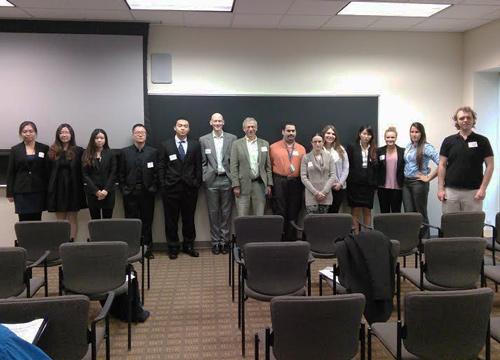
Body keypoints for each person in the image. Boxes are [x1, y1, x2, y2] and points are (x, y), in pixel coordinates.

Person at [158, 118, 202, 260]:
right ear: (174, 128)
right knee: (171, 220)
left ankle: (188, 245)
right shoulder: (166, 145)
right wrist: (163, 185)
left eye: (185, 126)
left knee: (189, 218)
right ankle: (173, 247)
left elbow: (198, 166)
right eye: (180, 125)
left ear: (189, 129)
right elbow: (161, 166)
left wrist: (196, 182)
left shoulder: (195, 145)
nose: (183, 128)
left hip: (190, 188)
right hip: (171, 188)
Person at [437, 106, 494, 213]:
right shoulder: (448, 141)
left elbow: (490, 165)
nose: (465, 120)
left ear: (473, 120)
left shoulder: (483, 141)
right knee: (451, 225)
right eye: (462, 118)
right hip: (451, 192)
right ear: (457, 121)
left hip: (474, 193)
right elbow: (442, 165)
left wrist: (483, 189)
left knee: (472, 226)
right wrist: (440, 189)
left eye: (468, 117)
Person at [199, 113, 237, 255]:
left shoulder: (232, 138)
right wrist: (205, 176)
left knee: (226, 212)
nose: (217, 123)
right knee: (213, 212)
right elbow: (203, 161)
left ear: (223, 122)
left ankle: (225, 241)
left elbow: (234, 161)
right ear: (210, 122)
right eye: (215, 121)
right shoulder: (203, 140)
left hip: (227, 179)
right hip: (211, 180)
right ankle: (215, 242)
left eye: (220, 121)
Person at [119, 124, 158, 258]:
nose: (140, 134)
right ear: (133, 135)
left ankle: (147, 250)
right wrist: (124, 190)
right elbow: (121, 173)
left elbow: (156, 173)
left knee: (147, 222)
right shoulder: (124, 152)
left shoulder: (153, 152)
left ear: (146, 135)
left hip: (147, 193)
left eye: (143, 132)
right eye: (137, 132)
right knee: (132, 223)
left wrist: (153, 188)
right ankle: (133, 250)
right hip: (130, 193)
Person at [47, 124, 86, 240]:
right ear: (58, 135)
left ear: (71, 135)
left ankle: (71, 244)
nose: (64, 135)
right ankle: (61, 245)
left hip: (73, 188)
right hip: (57, 189)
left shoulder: (79, 151)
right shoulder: (52, 150)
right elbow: (47, 171)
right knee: (60, 220)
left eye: (67, 132)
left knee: (73, 219)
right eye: (62, 132)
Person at [402, 122, 439, 238]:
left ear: (421, 133)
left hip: (419, 184)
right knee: (409, 213)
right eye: (412, 131)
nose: (414, 134)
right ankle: (413, 241)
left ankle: (424, 243)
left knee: (421, 213)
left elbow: (443, 163)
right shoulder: (409, 146)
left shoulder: (427, 147)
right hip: (406, 183)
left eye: (417, 132)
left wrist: (428, 177)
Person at [269, 122, 306, 240]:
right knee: (280, 210)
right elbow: (268, 167)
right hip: (279, 181)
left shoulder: (301, 149)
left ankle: (291, 239)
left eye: (293, 131)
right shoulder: (273, 147)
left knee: (294, 210)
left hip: (296, 182)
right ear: (283, 132)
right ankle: (279, 238)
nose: (291, 133)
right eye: (288, 131)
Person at [230, 117, 273, 216]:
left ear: (256, 128)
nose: (250, 129)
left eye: (253, 127)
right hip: (242, 186)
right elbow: (233, 166)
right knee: (242, 217)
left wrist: (269, 184)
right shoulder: (237, 144)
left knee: (259, 216)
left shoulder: (264, 144)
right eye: (248, 127)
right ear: (244, 129)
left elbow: (268, 166)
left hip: (260, 185)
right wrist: (235, 185)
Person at [6, 121, 49, 221]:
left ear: (35, 133)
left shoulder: (44, 148)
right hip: (21, 192)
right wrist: (9, 193)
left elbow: (47, 171)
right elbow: (11, 172)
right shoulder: (15, 149)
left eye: (31, 131)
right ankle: (24, 238)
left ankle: (36, 237)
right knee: (23, 220)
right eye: (25, 131)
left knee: (37, 219)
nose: (28, 133)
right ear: (21, 133)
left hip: (38, 190)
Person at [346, 125, 377, 231]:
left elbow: (376, 168)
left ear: (371, 136)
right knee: (355, 210)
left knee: (367, 211)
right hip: (355, 184)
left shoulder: (374, 149)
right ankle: (356, 236)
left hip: (369, 185)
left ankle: (367, 235)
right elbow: (347, 165)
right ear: (359, 134)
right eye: (364, 133)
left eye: (369, 134)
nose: (366, 136)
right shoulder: (351, 147)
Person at [82, 129, 116, 219]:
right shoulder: (86, 153)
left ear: (105, 140)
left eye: (102, 138)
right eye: (97, 138)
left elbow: (113, 173)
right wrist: (96, 191)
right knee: (95, 220)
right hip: (92, 193)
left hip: (108, 192)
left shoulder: (111, 153)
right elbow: (85, 174)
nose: (99, 140)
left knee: (107, 221)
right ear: (93, 139)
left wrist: (105, 190)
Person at [300, 134, 337, 214]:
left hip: (325, 196)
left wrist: (324, 192)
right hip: (311, 195)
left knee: (323, 223)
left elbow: (333, 175)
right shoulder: (306, 158)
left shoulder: (329, 157)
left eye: (319, 141)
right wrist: (315, 193)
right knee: (312, 223)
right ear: (312, 143)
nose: (317, 144)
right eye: (315, 142)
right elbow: (303, 177)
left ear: (323, 142)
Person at [376, 126, 404, 213]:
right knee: (384, 212)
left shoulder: (402, 151)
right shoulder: (379, 151)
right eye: (388, 137)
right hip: (382, 187)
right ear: (385, 138)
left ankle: (396, 227)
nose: (390, 139)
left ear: (396, 138)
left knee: (396, 212)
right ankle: (385, 227)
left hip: (397, 187)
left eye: (392, 137)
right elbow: (376, 168)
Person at [322, 124, 349, 213]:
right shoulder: (319, 149)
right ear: (323, 134)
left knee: (334, 212)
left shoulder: (341, 149)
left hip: (338, 188)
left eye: (333, 134)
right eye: (328, 133)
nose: (330, 136)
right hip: (323, 188)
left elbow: (346, 168)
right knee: (323, 213)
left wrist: (340, 183)